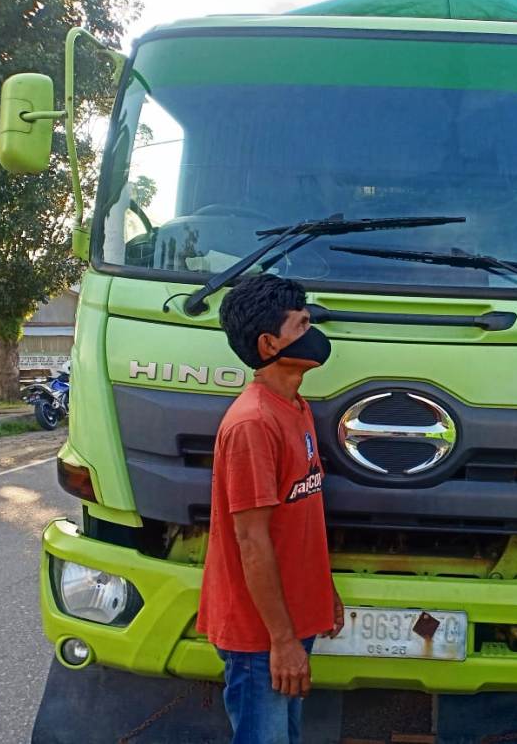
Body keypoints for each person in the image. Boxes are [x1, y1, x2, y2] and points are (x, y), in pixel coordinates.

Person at [198, 274, 344, 744]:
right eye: (302, 324)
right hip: (259, 636)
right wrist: (280, 641)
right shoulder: (253, 424)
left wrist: (325, 593)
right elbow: (252, 541)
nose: (315, 331)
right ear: (268, 344)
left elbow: (297, 518)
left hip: (290, 620)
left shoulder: (294, 407)